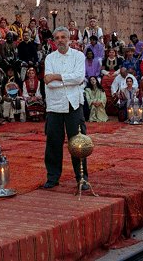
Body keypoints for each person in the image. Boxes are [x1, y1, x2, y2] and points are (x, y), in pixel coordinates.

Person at [41, 26, 87, 190]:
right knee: (53, 143)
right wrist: (67, 80)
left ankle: (82, 177)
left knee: (78, 143)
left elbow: (79, 77)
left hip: (73, 104)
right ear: (54, 41)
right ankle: (52, 178)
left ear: (69, 39)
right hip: (55, 106)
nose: (60, 40)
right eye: (57, 38)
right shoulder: (50, 59)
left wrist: (57, 77)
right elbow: (49, 83)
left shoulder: (78, 56)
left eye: (63, 37)